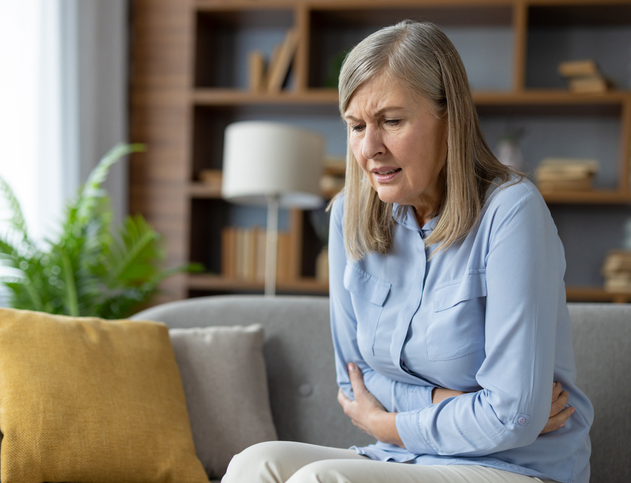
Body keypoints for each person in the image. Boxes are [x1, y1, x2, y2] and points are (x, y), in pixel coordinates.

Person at [221, 20, 593, 483]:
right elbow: (353, 382)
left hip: (514, 466)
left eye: (391, 121)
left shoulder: (512, 211)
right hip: (399, 457)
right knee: (255, 463)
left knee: (320, 480)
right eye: (356, 126)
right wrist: (450, 404)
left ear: (449, 118)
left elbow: (512, 416)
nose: (370, 148)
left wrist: (388, 423)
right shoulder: (347, 216)